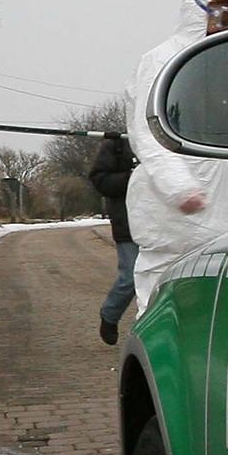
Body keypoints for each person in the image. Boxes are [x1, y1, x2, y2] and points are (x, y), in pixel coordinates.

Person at [124, 0, 228, 309]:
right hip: (175, 220)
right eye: (220, 16)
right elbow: (149, 131)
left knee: (222, 315)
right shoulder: (161, 61)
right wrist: (179, 187)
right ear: (199, 14)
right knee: (164, 306)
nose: (226, 26)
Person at [86, 132, 136, 346]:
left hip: (168, 224)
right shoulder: (118, 144)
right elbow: (100, 180)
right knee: (131, 278)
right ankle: (110, 315)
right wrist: (134, 178)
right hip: (129, 223)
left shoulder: (172, 135)